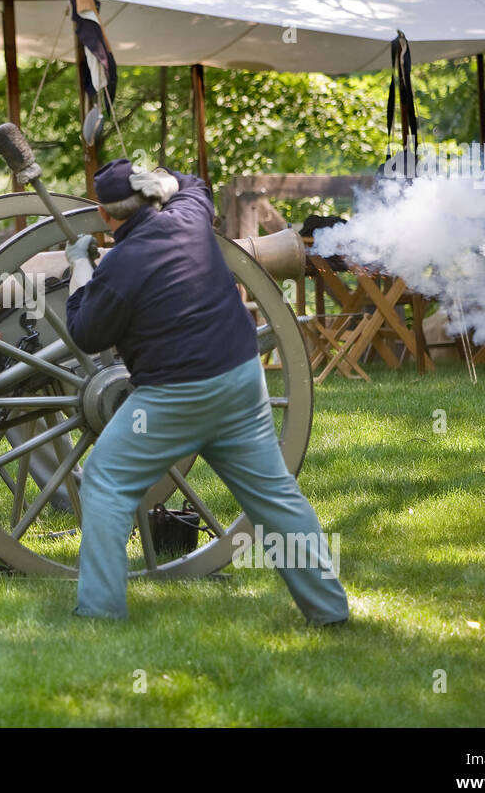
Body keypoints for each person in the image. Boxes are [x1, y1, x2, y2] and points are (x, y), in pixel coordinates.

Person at [64, 159, 349, 626]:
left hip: (173, 396)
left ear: (103, 213)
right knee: (274, 495)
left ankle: (100, 612)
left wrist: (79, 266)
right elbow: (194, 184)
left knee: (105, 481)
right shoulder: (190, 218)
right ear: (153, 196)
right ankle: (329, 610)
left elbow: (85, 332)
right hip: (240, 379)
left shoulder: (119, 266)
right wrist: (163, 180)